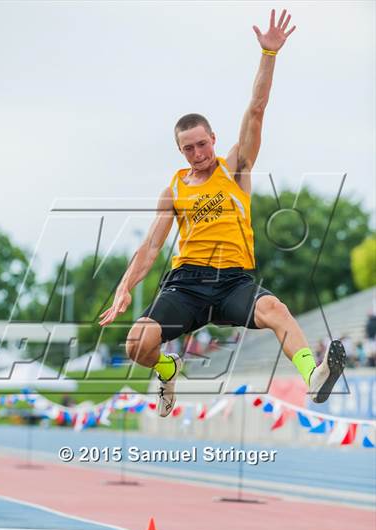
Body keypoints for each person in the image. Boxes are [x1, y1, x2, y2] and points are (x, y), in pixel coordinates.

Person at [99, 9, 346, 417]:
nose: (198, 154)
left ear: (213, 138)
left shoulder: (235, 168)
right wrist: (126, 286)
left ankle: (313, 377)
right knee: (136, 344)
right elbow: (150, 247)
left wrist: (268, 55)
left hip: (233, 282)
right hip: (188, 284)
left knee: (276, 311)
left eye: (202, 144)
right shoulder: (175, 189)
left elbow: (256, 110)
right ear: (180, 151)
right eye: (188, 148)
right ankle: (167, 367)